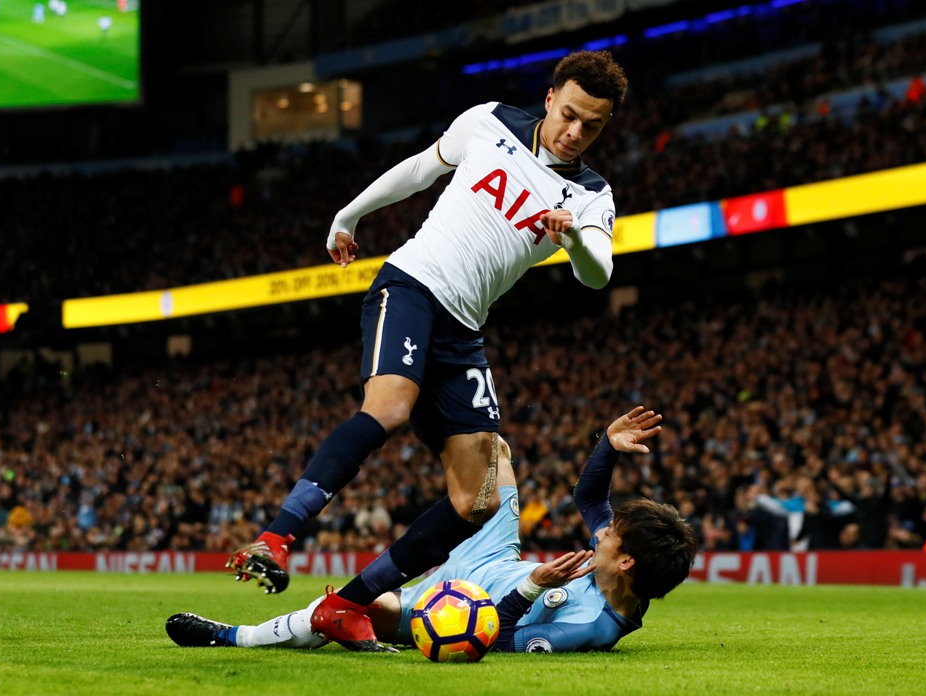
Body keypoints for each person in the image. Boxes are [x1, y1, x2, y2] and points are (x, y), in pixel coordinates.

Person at [225, 50, 629, 652]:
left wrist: (571, 236)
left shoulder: (591, 196)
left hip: (463, 331)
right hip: (412, 285)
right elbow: (420, 169)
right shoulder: (488, 121)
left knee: (478, 499)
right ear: (549, 99)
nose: (575, 132)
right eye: (569, 115)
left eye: (591, 126)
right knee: (387, 408)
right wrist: (349, 213)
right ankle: (278, 537)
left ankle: (347, 605)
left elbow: (598, 274)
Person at [173, 407, 699, 653]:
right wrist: (607, 444)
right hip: (496, 550)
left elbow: (505, 639)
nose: (602, 534)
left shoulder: (593, 627)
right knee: (491, 449)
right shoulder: (612, 562)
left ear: (627, 561)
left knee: (365, 611)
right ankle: (420, 400)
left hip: (452, 604)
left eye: (611, 537)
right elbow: (590, 498)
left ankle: (230, 637)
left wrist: (532, 586)